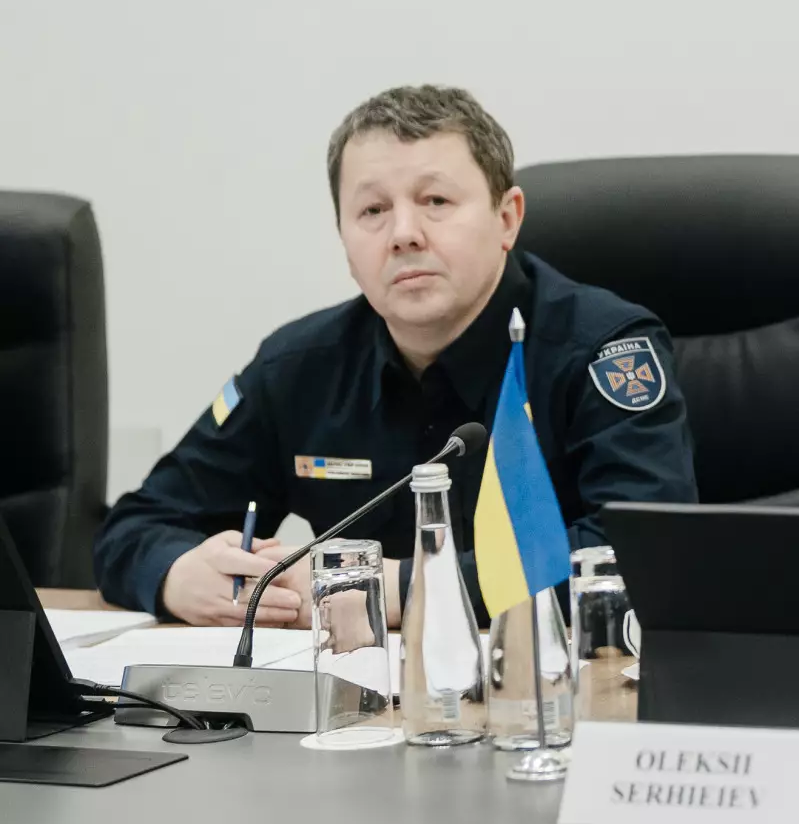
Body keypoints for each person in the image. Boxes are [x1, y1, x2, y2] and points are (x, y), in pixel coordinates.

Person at [95, 85, 698, 626]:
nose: (404, 233)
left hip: (550, 696)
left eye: (435, 200)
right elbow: (134, 526)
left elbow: (644, 555)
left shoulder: (600, 349)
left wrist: (399, 589)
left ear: (507, 218)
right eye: (373, 211)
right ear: (344, 239)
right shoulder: (299, 368)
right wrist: (176, 575)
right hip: (354, 700)